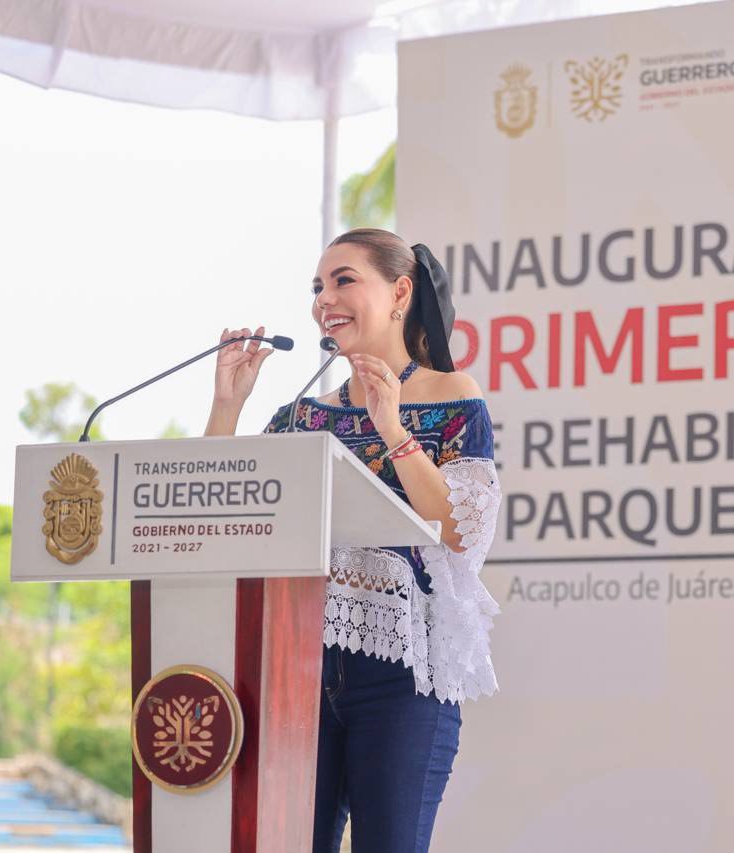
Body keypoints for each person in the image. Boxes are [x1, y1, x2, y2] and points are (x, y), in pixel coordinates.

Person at [203, 228, 501, 853]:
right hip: (294, 667)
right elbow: (224, 520)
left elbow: (460, 530)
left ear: (400, 294)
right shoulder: (302, 416)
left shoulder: (454, 396)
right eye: (317, 286)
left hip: (402, 679)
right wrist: (227, 408)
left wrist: (391, 427)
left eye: (343, 281)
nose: (324, 299)